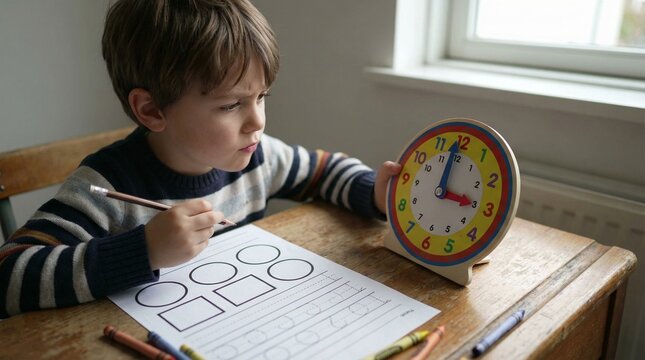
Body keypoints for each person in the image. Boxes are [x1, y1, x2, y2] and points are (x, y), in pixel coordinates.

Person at [0, 0, 400, 318]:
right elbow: (8, 277)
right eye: (231, 106)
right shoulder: (108, 187)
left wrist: (373, 194)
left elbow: (324, 170)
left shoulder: (259, 155)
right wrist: (144, 251)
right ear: (153, 111)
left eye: (262, 97)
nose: (256, 122)